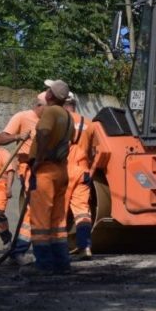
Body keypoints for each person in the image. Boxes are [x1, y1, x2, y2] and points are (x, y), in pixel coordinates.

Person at [23, 79, 74, 276]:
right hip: (61, 171)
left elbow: (43, 134)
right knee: (57, 221)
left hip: (45, 171)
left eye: (48, 90)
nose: (45, 91)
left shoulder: (50, 112)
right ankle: (61, 263)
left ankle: (43, 264)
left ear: (51, 96)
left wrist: (38, 160)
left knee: (41, 220)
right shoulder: (68, 117)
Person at [0, 92, 46, 264]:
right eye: (48, 108)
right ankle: (19, 251)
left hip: (45, 170)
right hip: (28, 169)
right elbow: (0, 139)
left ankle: (25, 251)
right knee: (33, 210)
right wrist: (18, 136)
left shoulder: (47, 121)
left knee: (39, 211)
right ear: (39, 106)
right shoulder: (22, 117)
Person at [63, 92, 96, 260]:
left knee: (59, 212)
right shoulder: (89, 124)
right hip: (82, 171)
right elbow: (98, 151)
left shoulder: (60, 121)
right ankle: (85, 248)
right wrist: (92, 169)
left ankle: (59, 251)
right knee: (82, 211)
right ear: (75, 104)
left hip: (62, 170)